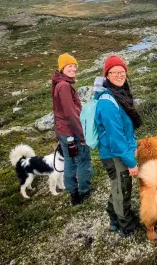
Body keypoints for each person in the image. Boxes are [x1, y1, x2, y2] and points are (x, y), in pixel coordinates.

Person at [94, 55, 142, 237]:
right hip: (114, 153)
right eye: (114, 72)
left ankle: (113, 217)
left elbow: (125, 127)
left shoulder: (119, 95)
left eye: (122, 71)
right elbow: (116, 138)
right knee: (122, 189)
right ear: (107, 75)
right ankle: (127, 225)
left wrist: (133, 143)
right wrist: (131, 162)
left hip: (118, 150)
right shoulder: (108, 102)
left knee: (117, 186)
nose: (119, 75)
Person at [52, 53, 92, 206]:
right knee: (82, 161)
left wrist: (59, 133)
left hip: (63, 132)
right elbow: (70, 113)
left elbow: (58, 111)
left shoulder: (58, 83)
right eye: (69, 66)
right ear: (62, 68)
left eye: (75, 66)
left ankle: (73, 194)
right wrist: (82, 137)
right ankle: (84, 191)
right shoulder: (64, 86)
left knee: (70, 160)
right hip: (71, 132)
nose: (73, 69)